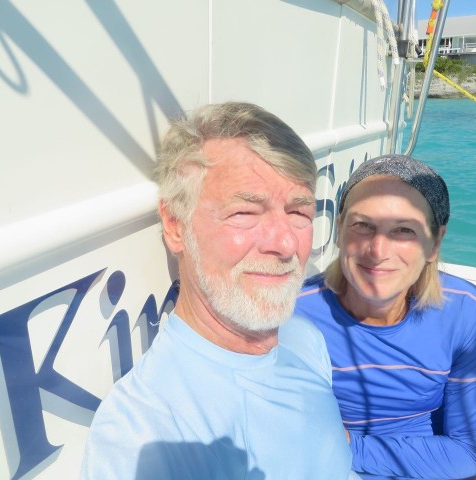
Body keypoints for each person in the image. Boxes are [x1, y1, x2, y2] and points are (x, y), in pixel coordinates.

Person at [81, 102, 355, 479]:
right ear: (176, 226)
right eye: (244, 212)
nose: (285, 244)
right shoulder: (143, 433)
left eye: (298, 213)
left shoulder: (304, 339)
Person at [294, 154, 476, 480]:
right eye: (363, 225)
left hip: (437, 450)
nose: (378, 250)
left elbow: (468, 451)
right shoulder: (297, 312)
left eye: (404, 230)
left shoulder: (461, 311)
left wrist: (353, 446)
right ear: (339, 229)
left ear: (434, 243)